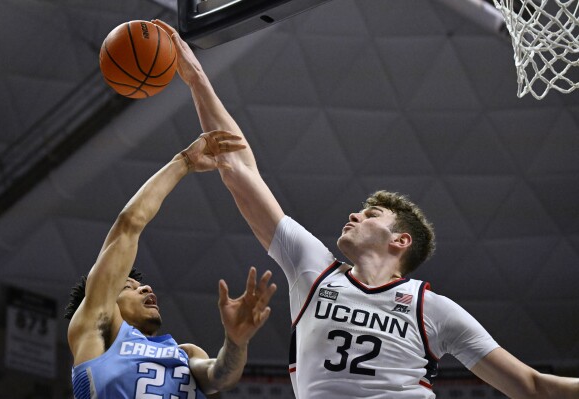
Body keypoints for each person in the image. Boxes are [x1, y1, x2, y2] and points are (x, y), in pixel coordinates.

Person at [152, 19, 579, 399]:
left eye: (371, 215)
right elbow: (237, 165)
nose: (355, 215)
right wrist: (196, 78)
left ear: (400, 241)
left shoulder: (432, 308)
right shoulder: (312, 269)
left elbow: (531, 386)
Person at [64, 130, 277, 398]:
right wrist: (184, 162)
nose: (145, 288)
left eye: (141, 284)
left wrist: (236, 342)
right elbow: (129, 225)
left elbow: (220, 376)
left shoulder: (186, 354)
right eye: (128, 287)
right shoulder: (96, 331)